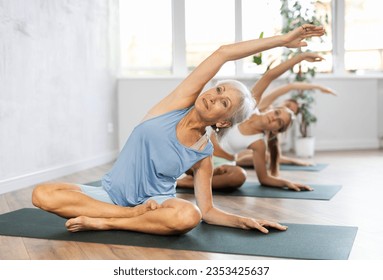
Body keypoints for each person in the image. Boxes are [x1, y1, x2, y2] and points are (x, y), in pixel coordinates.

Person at [32, 24, 324, 236]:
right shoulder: (174, 105)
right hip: (111, 195)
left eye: (223, 102)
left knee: (188, 215)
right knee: (42, 194)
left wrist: (241, 220)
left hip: (156, 204)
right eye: (218, 89)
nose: (212, 95)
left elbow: (207, 212)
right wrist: (284, 41)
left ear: (223, 122)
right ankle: (126, 216)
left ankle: (108, 222)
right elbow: (223, 54)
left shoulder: (204, 154)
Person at [177, 52, 328, 190]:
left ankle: (186, 183)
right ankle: (194, 174)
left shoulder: (258, 143)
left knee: (239, 176)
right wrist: (298, 58)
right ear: (271, 109)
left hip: (222, 164)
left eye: (279, 122)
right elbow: (270, 75)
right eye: (276, 113)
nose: (274, 117)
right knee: (185, 141)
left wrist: (286, 183)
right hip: (200, 154)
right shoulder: (249, 107)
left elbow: (264, 178)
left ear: (275, 130)